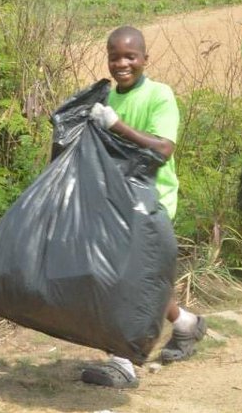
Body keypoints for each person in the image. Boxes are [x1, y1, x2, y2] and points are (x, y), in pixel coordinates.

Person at [79, 26, 206, 388]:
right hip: (120, 201)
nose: (122, 63)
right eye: (115, 56)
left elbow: (163, 149)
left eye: (130, 56)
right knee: (141, 278)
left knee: (129, 279)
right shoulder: (108, 99)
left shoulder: (158, 96)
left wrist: (116, 126)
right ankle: (186, 324)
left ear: (145, 59)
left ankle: (124, 361)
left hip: (152, 202)